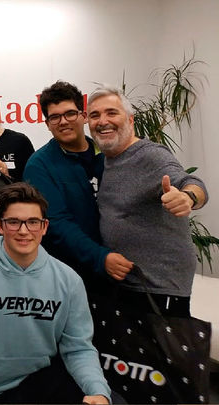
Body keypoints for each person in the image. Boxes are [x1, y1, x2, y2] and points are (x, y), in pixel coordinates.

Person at [0, 183, 111, 404]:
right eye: (14, 222)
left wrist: (98, 391)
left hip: (39, 383)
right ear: (0, 225)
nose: (24, 231)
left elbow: (79, 348)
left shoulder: (69, 280)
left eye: (33, 222)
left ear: (44, 227)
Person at [87, 85, 208, 317]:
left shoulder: (151, 155)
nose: (102, 121)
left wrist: (188, 197)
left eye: (111, 113)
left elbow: (192, 183)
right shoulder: (107, 160)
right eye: (95, 115)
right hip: (127, 285)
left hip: (159, 290)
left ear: (130, 120)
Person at [24, 81, 132, 291]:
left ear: (83, 116)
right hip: (70, 278)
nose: (63, 121)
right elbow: (57, 223)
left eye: (70, 114)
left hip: (123, 271)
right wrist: (100, 257)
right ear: (47, 124)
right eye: (55, 117)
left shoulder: (110, 152)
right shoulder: (39, 165)